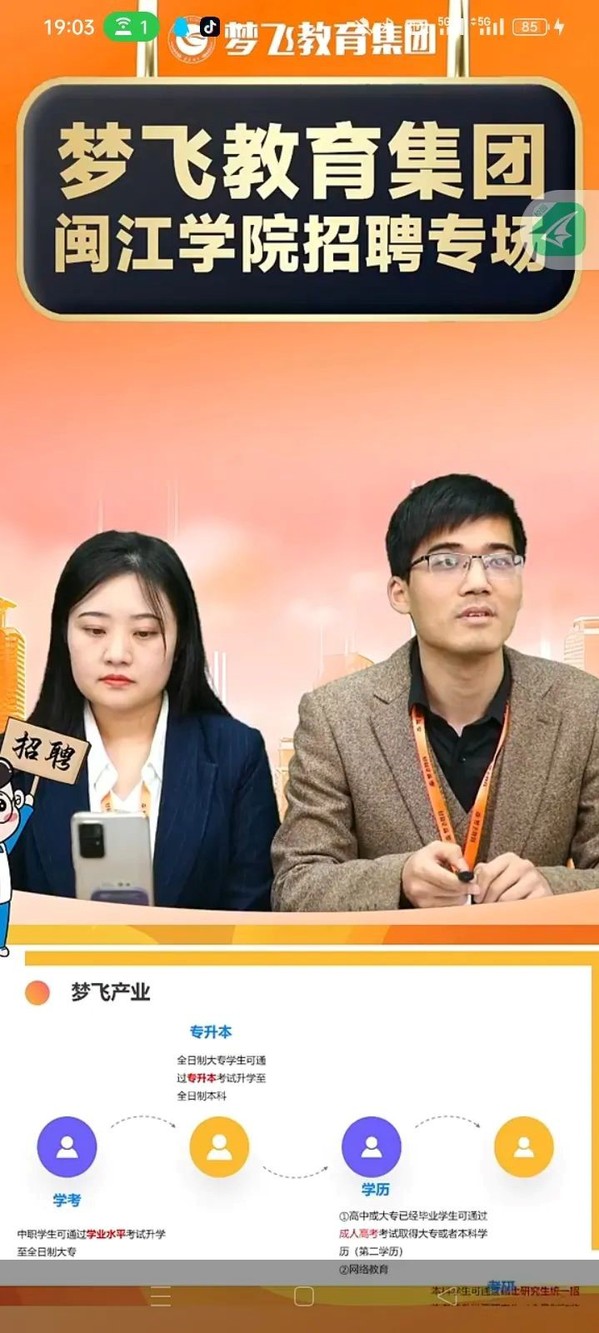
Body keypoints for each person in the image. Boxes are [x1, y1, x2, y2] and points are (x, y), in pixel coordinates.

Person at [272, 473, 599, 912]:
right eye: (446, 562)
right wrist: (399, 881)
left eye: (500, 561)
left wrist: (551, 888)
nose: (478, 581)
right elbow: (296, 886)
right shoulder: (335, 717)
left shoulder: (583, 706)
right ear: (400, 592)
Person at [8, 531, 279, 910]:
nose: (118, 653)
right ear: (63, 634)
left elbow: (252, 916)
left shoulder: (235, 754)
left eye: (144, 633)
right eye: (95, 630)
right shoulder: (21, 756)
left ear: (181, 640)